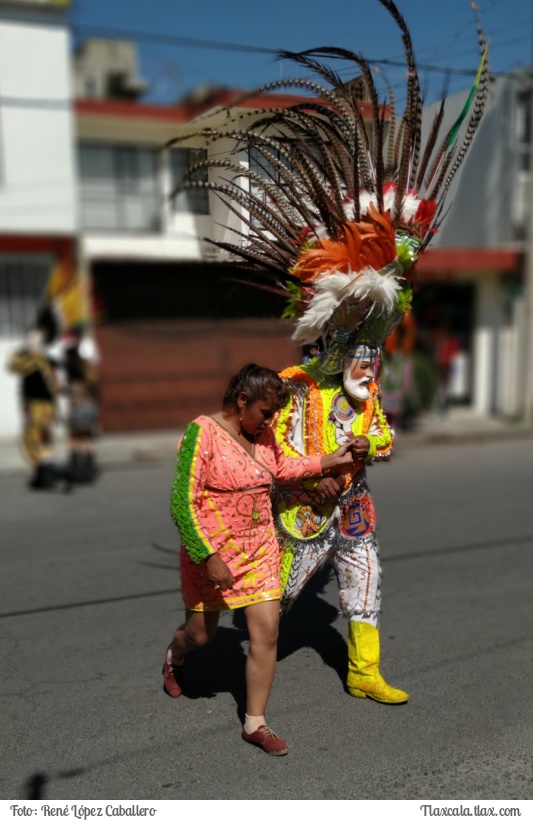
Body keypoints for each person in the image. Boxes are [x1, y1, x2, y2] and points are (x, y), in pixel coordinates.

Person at [163, 363, 357, 755]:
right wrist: (207, 555)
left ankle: (256, 723)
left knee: (266, 634)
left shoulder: (264, 435)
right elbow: (182, 503)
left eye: (273, 415)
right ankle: (175, 655)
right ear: (241, 400)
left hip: (260, 549)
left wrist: (330, 460)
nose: (270, 422)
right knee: (201, 635)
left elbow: (283, 468)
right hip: (213, 556)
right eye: (265, 412)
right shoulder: (201, 432)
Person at [274, 335, 408, 704]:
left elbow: (386, 436)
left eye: (373, 364)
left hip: (354, 508)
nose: (370, 373)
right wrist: (317, 476)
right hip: (304, 510)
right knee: (278, 592)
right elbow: (276, 446)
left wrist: (371, 442)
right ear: (339, 356)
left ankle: (364, 674)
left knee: (366, 581)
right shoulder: (297, 385)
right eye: (363, 364)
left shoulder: (367, 391)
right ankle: (224, 654)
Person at [7, 326, 61, 490]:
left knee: (31, 439)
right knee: (42, 438)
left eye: (32, 339)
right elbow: (56, 384)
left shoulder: (32, 359)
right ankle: (42, 475)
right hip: (48, 406)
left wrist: (26, 351)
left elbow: (13, 366)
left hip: (34, 405)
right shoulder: (45, 359)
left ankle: (44, 474)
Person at [63, 337, 100, 484]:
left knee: (73, 437)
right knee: (86, 438)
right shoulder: (88, 370)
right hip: (89, 406)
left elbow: (73, 393)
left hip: (78, 407)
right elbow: (92, 391)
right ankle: (89, 469)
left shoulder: (72, 371)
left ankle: (76, 469)